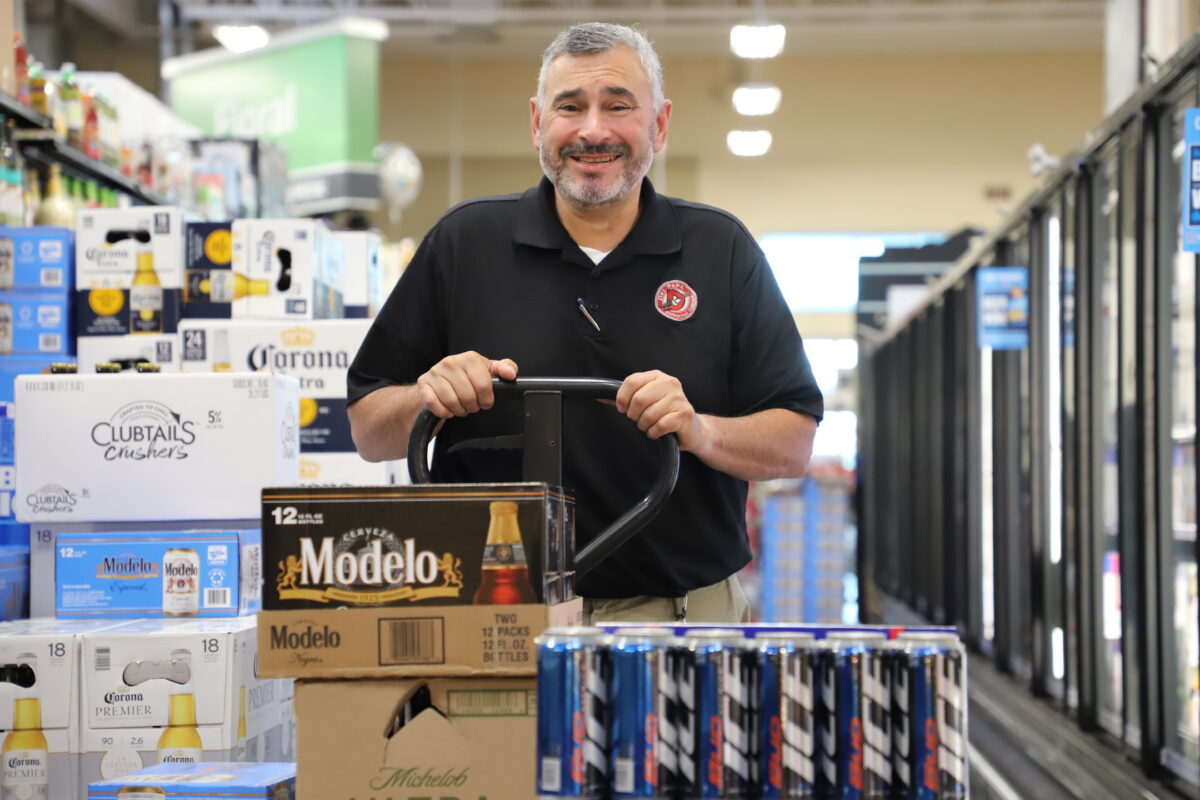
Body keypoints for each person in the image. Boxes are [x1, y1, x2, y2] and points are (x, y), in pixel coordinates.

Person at [347, 22, 823, 623]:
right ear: (537, 121)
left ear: (660, 123)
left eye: (618, 106)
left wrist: (698, 430)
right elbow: (367, 431)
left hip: (680, 617)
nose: (593, 130)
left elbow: (794, 442)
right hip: (488, 616)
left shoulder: (720, 250)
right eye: (569, 107)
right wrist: (428, 397)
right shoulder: (464, 243)